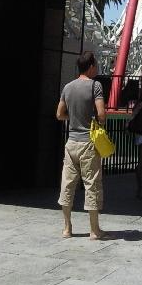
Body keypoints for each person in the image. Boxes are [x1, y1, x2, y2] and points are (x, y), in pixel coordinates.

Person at [56, 51, 107, 240]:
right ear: (91, 66)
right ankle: (95, 230)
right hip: (88, 143)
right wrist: (94, 120)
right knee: (91, 185)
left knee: (67, 185)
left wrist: (74, 118)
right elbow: (101, 114)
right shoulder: (96, 86)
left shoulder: (67, 87)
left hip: (71, 143)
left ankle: (67, 228)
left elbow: (59, 114)